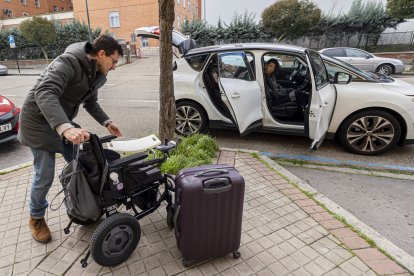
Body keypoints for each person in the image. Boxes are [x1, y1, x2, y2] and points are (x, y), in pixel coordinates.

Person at [18, 35, 124, 243]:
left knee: (84, 164)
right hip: (38, 122)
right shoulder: (68, 62)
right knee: (45, 174)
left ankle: (86, 205)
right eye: (114, 61)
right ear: (101, 54)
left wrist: (106, 122)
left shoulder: (97, 72)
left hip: (61, 122)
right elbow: (45, 92)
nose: (114, 67)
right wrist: (65, 127)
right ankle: (36, 218)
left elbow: (90, 102)